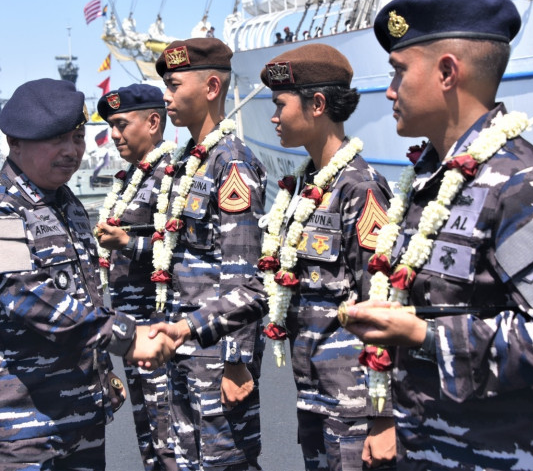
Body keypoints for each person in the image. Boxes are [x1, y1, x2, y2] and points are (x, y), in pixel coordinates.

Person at [341, 0, 533, 470]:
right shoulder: (429, 181)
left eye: (399, 72)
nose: (389, 90)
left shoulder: (520, 187)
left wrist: (425, 337)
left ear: (447, 72)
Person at [0, 78, 176, 470]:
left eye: (76, 137)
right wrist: (124, 336)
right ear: (15, 143)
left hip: (80, 415)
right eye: (55, 140)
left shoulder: (66, 205)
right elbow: (23, 292)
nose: (71, 151)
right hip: (20, 423)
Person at [258, 44, 395, 470]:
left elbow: (383, 302)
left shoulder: (360, 187)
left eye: (281, 104)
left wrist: (383, 415)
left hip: (356, 402)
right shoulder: (304, 185)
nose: (274, 117)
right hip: (315, 390)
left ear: (317, 104)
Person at [155, 38, 268, 471]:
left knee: (225, 463)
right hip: (185, 349)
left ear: (211, 87)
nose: (166, 95)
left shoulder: (231, 163)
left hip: (217, 355)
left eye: (174, 84)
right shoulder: (188, 162)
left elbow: (244, 275)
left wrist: (237, 360)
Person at [95, 84, 177, 471]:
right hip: (131, 331)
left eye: (121, 124)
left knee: (170, 441)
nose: (114, 135)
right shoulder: (131, 178)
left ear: (153, 121)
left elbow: (185, 253)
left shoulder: (173, 176)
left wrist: (127, 242)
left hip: (160, 333)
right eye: (111, 126)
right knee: (149, 440)